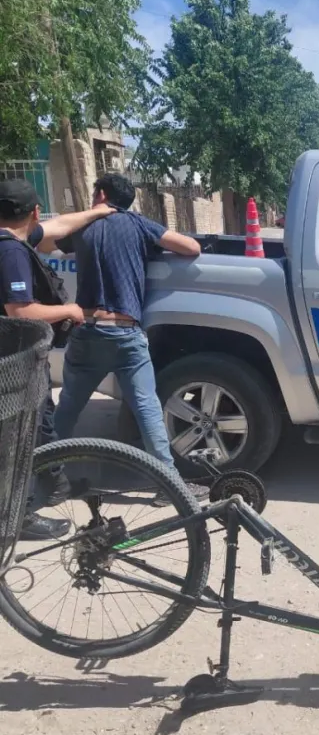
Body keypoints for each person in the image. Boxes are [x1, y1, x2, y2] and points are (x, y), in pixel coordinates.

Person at [52, 172, 208, 501]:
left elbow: (46, 241)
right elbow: (191, 247)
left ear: (102, 195)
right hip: (125, 333)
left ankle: (47, 477)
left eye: (95, 194)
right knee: (147, 408)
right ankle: (170, 487)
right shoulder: (139, 225)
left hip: (87, 330)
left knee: (67, 408)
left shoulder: (83, 225)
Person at [0, 178, 117, 540]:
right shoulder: (10, 253)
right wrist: (70, 308)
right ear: (35, 211)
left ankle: (53, 485)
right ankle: (14, 520)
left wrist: (98, 212)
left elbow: (60, 225)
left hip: (18, 364)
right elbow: (20, 311)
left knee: (38, 424)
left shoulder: (14, 239)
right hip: (10, 366)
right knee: (16, 440)